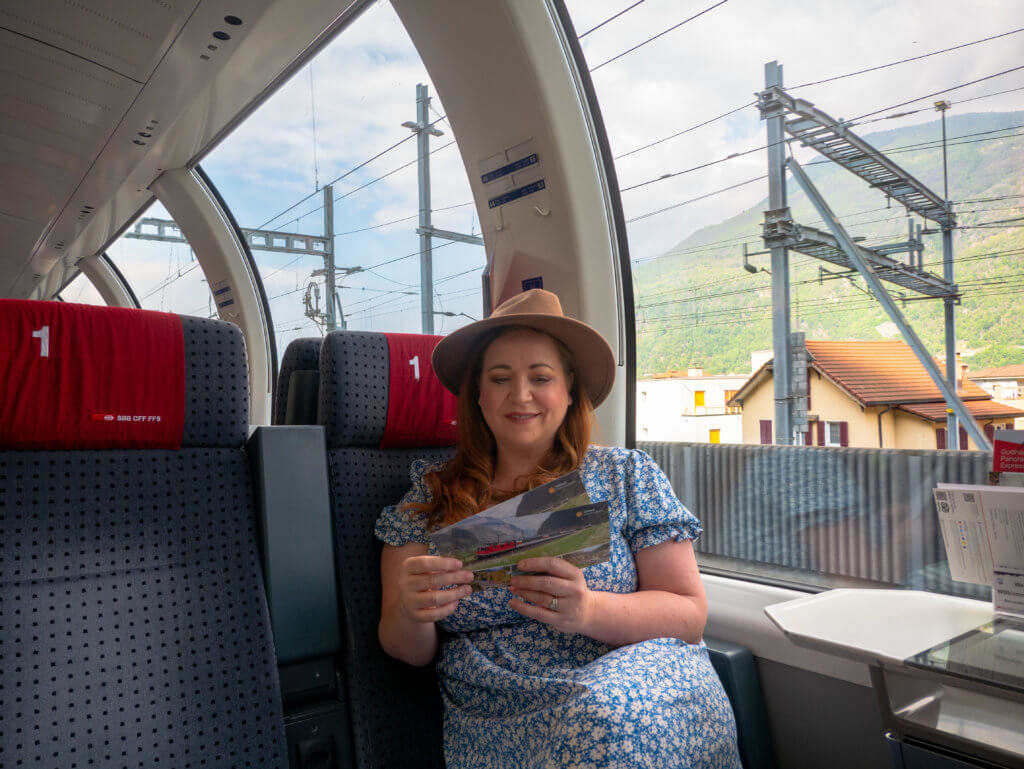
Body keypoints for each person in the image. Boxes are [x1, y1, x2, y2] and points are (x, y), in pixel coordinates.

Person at [375, 289, 742, 769]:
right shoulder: (429, 498)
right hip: (503, 712)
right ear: (479, 395)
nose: (520, 394)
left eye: (540, 377)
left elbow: (689, 614)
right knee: (597, 720)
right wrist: (412, 610)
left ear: (569, 389)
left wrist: (588, 609)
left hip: (641, 688)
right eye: (500, 378)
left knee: (604, 716)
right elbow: (407, 649)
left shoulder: (626, 475)